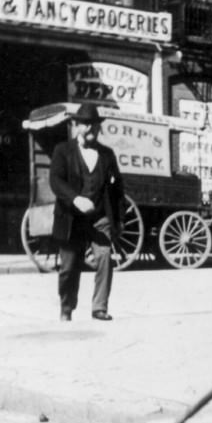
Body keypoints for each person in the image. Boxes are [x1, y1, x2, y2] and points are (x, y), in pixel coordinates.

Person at [49, 103, 125, 322]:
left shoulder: (107, 155)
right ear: (76, 126)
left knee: (104, 258)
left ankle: (99, 307)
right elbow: (55, 180)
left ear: (99, 128)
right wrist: (75, 198)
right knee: (69, 268)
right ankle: (67, 306)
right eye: (84, 125)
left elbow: (118, 189)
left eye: (93, 125)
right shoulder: (63, 150)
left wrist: (118, 221)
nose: (89, 129)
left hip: (99, 218)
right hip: (71, 218)